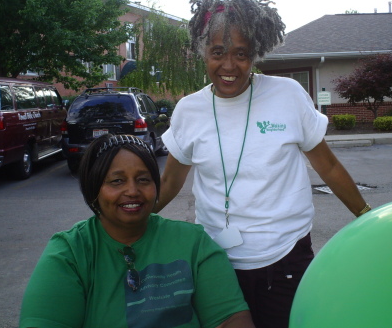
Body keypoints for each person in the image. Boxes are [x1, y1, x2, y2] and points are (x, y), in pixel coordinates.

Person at [153, 0, 371, 327]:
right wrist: (132, 221)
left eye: (241, 54)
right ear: (203, 53)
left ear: (255, 54)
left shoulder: (287, 95)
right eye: (218, 52)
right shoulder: (188, 111)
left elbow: (326, 165)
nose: (229, 65)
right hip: (216, 262)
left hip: (286, 257)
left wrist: (365, 214)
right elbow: (170, 180)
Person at [19, 134, 254, 328]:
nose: (133, 191)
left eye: (143, 180)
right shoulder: (70, 253)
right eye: (117, 181)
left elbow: (230, 319)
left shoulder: (194, 244)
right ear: (94, 186)